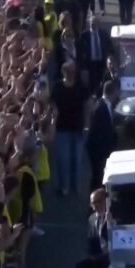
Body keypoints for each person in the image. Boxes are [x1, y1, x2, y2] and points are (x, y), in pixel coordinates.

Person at [50, 61, 91, 197]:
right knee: (63, 159)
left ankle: (76, 187)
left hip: (78, 128)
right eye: (69, 71)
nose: (71, 74)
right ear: (64, 72)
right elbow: (52, 106)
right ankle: (64, 186)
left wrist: (86, 125)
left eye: (73, 71)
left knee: (76, 160)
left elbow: (86, 106)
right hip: (62, 128)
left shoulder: (81, 87)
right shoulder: (57, 87)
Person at [86, 81, 118, 192]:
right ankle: (94, 201)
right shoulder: (100, 108)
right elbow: (96, 132)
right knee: (97, 178)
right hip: (98, 150)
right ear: (113, 92)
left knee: (99, 177)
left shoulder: (106, 106)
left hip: (101, 149)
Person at [76, 189, 109, 268]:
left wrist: (110, 222)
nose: (96, 205)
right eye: (93, 203)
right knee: (82, 266)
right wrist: (93, 255)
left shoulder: (112, 217)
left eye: (99, 202)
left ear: (106, 201)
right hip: (100, 253)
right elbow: (92, 239)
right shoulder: (92, 219)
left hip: (112, 253)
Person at [77, 15, 111, 94]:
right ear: (89, 23)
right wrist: (82, 67)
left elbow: (110, 48)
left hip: (101, 63)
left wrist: (109, 60)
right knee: (91, 83)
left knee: (101, 83)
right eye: (92, 23)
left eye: (95, 23)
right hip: (90, 64)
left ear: (99, 24)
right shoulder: (84, 36)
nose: (93, 25)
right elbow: (79, 52)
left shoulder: (104, 35)